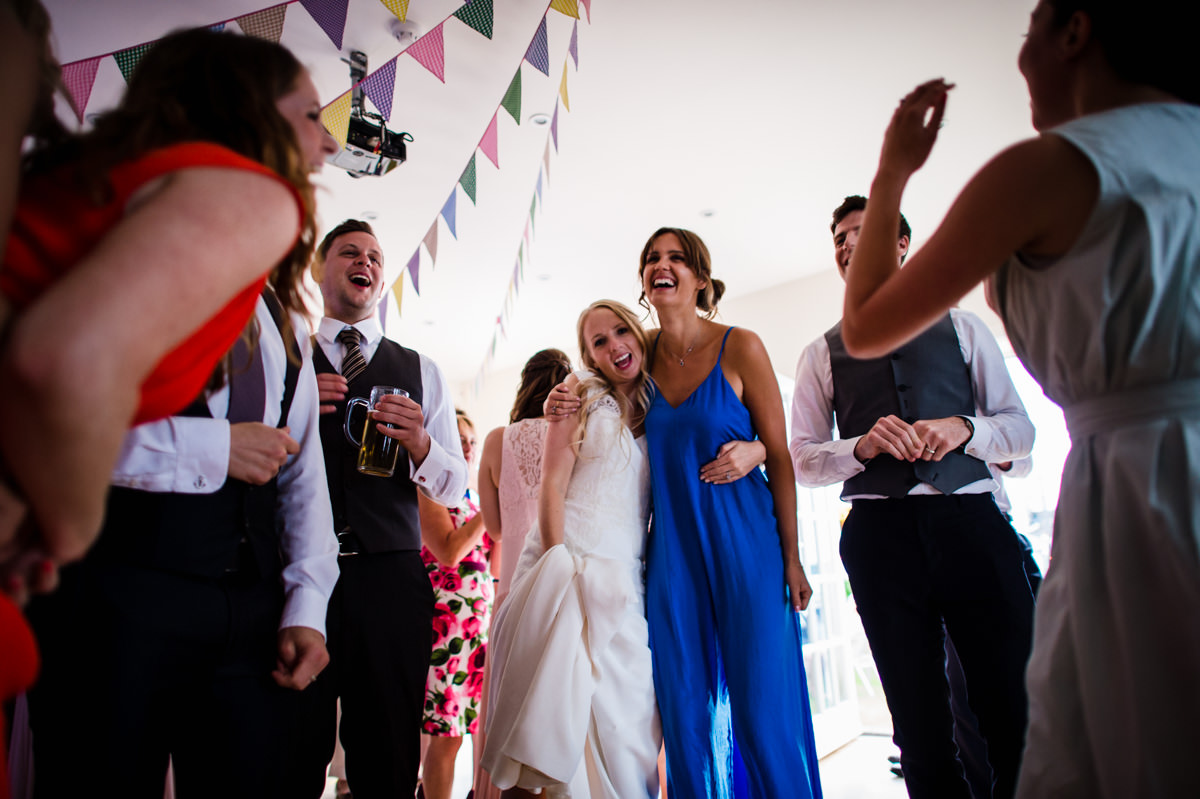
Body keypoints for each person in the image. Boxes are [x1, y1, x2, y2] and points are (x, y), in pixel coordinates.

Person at [839, 3, 1200, 795]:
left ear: (1078, 30)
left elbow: (864, 325)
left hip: (1142, 494)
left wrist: (892, 169)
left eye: (1033, 24)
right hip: (890, 532)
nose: (1021, 52)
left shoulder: (1047, 167)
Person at [26, 288, 338, 799]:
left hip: (251, 624)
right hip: (115, 601)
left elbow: (304, 479)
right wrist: (215, 448)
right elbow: (50, 424)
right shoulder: (116, 279)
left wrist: (307, 606)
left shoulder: (286, 322)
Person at [791, 196, 1035, 798]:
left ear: (900, 244)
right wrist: (862, 448)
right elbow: (803, 458)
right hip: (880, 540)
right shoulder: (821, 353)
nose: (850, 245)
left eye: (863, 232)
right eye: (840, 239)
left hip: (972, 524)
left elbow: (1022, 433)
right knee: (918, 724)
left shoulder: (965, 328)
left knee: (1013, 707)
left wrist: (966, 429)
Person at [304, 219, 468, 799]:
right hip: (300, 575)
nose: (366, 262)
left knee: (389, 752)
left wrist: (422, 445)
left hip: (391, 578)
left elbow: (454, 487)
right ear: (318, 269)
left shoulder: (421, 370)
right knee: (292, 744)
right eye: (350, 252)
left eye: (375, 256)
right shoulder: (289, 357)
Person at [483, 300, 661, 798]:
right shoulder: (578, 394)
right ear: (588, 357)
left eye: (621, 331)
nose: (613, 346)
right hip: (564, 567)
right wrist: (558, 564)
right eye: (597, 342)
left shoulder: (661, 403)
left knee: (627, 724)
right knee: (543, 730)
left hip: (624, 581)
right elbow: (552, 487)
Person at [472, 347, 572, 799]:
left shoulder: (496, 440)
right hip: (558, 582)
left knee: (506, 711)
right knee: (556, 707)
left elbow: (491, 528)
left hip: (511, 589)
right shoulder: (571, 432)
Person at [418, 409, 494, 799]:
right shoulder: (429, 491)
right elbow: (447, 551)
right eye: (459, 439)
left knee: (465, 737)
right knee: (444, 736)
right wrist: (488, 514)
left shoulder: (476, 497)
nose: (466, 448)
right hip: (445, 628)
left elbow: (492, 562)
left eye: (471, 441)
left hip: (477, 629)